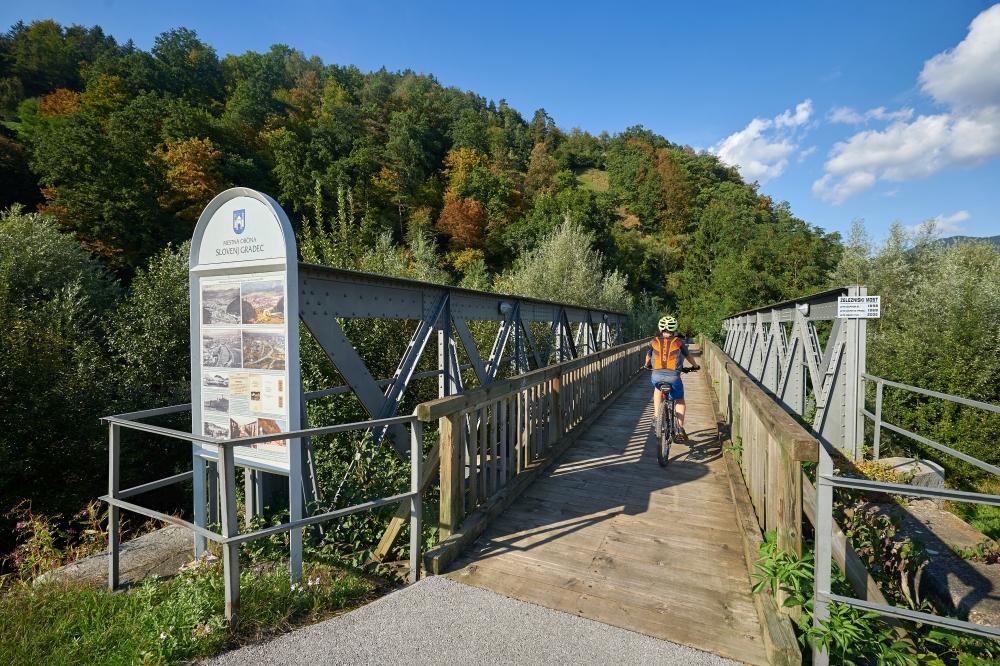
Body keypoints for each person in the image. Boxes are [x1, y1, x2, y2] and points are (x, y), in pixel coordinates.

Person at [643, 315, 699, 441]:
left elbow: (648, 357)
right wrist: (695, 366)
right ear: (674, 329)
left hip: (656, 376)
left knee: (657, 390)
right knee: (680, 399)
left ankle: (657, 417)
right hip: (674, 377)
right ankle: (679, 428)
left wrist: (646, 365)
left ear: (660, 328)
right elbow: (688, 356)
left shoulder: (654, 341)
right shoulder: (678, 342)